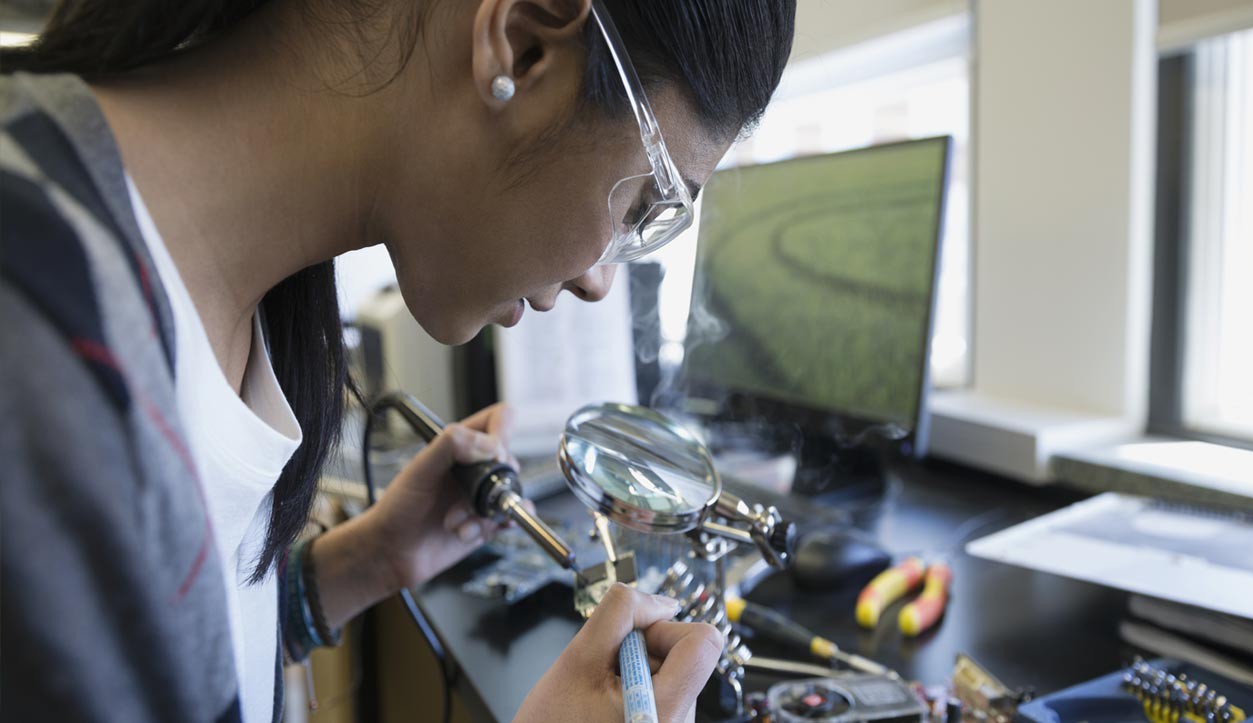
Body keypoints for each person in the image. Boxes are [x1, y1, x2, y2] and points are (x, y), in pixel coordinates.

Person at [0, 0, 795, 720]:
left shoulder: (242, 297)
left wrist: (361, 563)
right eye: (643, 206)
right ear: (518, 49)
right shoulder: (40, 346)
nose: (598, 280)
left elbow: (171, 654)